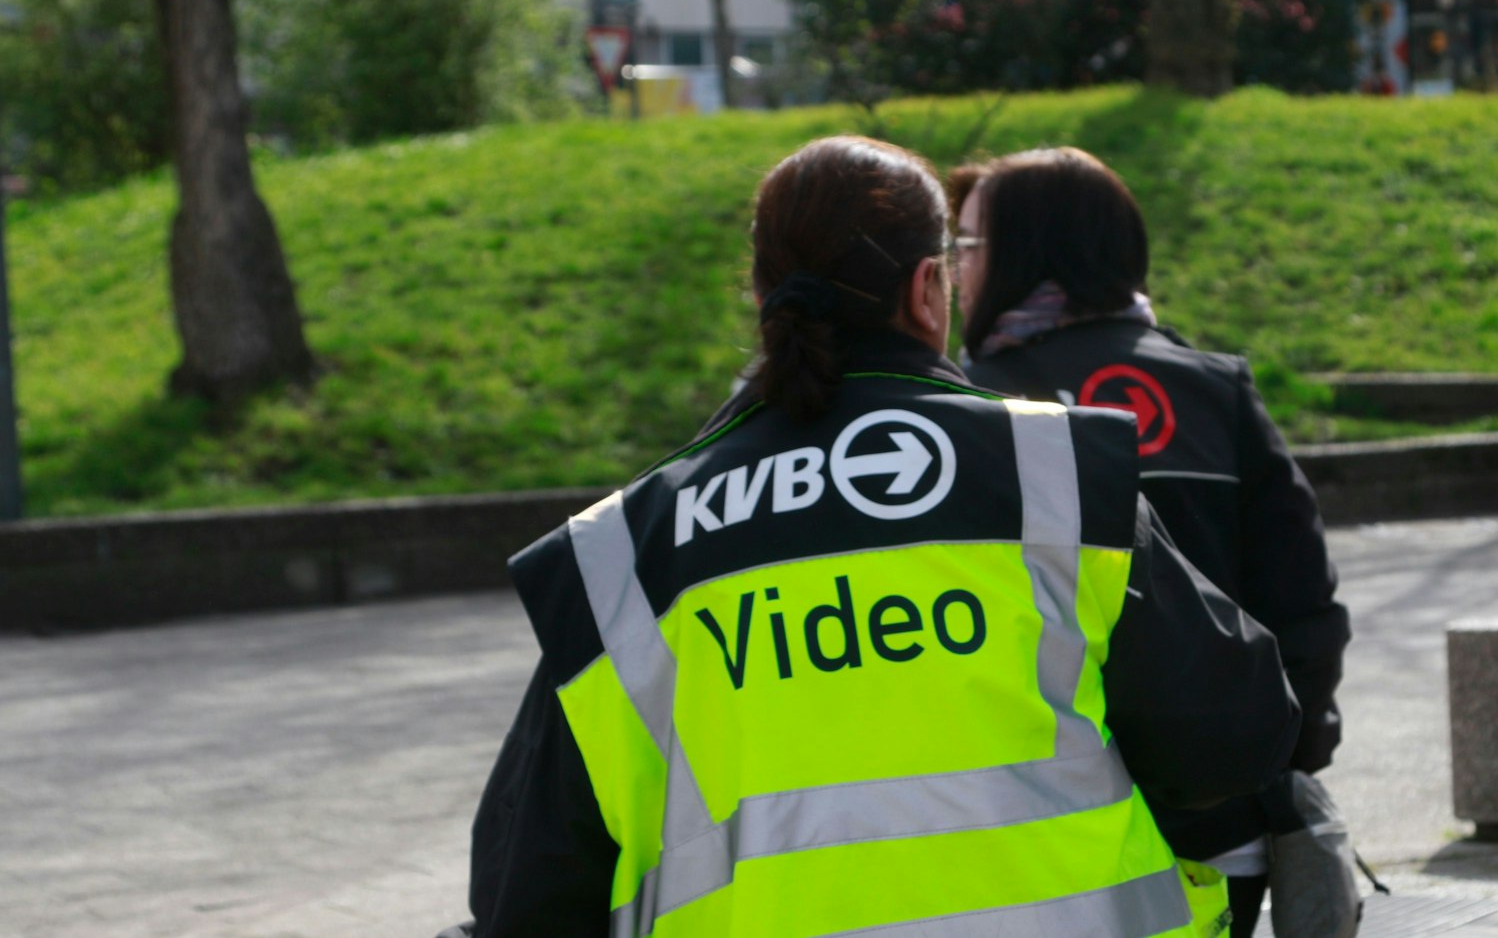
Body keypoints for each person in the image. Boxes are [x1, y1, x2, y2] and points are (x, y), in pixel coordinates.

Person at [455, 136, 1300, 938]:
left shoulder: (626, 552)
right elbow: (1237, 732)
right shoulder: (1051, 474)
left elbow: (529, 881)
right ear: (929, 288)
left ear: (760, 297)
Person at [950, 148, 1351, 938]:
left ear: (1027, 252)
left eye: (968, 245)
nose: (957, 268)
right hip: (1219, 824)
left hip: (1041, 832)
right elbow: (1302, 602)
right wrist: (1277, 761)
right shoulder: (1214, 386)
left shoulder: (971, 409)